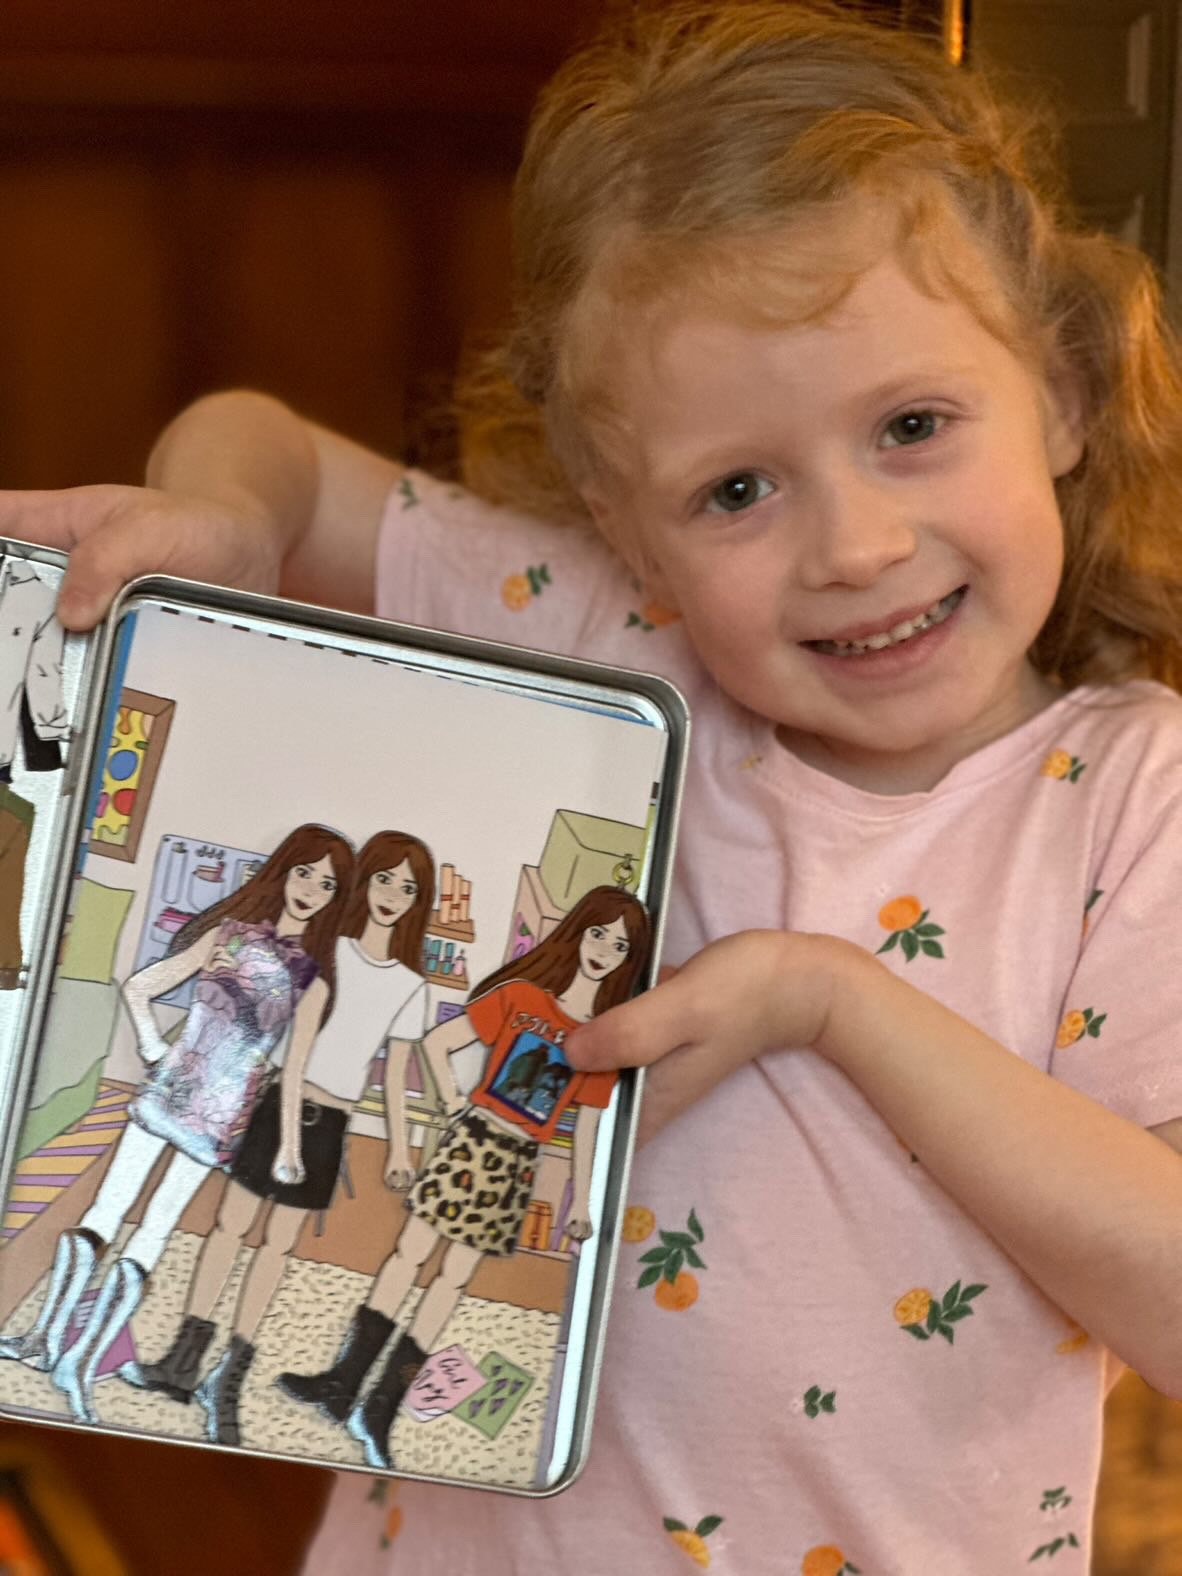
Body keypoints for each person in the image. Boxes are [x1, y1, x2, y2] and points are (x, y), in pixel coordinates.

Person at [4, 0, 1182, 1565]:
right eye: (735, 489)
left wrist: (825, 1000)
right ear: (624, 526)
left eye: (910, 426)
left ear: (1065, 395)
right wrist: (227, 524)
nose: (851, 546)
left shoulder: (1126, 798)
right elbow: (254, 435)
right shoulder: (610, 634)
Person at [276, 884, 649, 1469]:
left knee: (452, 1279)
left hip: (517, 1161)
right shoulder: (522, 997)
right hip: (473, 1140)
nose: (603, 950)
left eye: (620, 945)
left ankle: (380, 1408)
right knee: (408, 1256)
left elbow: (586, 1126)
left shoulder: (599, 1040)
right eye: (597, 933)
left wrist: (579, 1201)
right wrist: (454, 1104)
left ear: (629, 961)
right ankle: (343, 1382)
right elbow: (439, 1041)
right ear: (577, 933)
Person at [0, 823, 351, 1425]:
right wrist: (156, 1050)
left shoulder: (298, 972)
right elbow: (139, 988)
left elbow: (293, 1071)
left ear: (333, 899)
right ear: (283, 870)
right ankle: (51, 1347)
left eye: (327, 883)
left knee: (137, 1225)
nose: (311, 890)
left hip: (209, 1108)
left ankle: (61, 1354)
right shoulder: (246, 944)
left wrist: (289, 1144)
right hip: (192, 1098)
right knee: (116, 1218)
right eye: (304, 872)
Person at [118, 829, 434, 1448]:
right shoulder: (323, 951)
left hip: (333, 1123)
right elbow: (286, 1041)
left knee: (276, 1248)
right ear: (363, 882)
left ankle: (227, 1378)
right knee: (229, 1229)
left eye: (409, 887)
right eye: (384, 879)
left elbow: (393, 1073)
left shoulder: (412, 986)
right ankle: (183, 1365)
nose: (393, 895)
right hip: (274, 1108)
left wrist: (399, 1148)